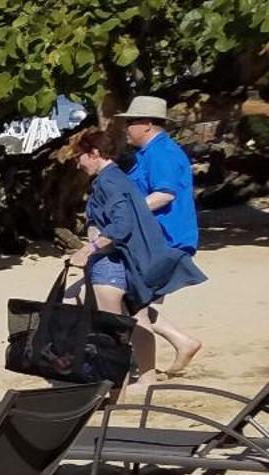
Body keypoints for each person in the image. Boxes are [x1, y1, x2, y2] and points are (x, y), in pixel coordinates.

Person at [68, 128, 205, 380]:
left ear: (94, 153)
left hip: (113, 259)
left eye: (79, 156)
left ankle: (118, 384)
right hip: (120, 257)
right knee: (135, 313)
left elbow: (123, 224)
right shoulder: (115, 177)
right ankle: (149, 374)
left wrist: (89, 249)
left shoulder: (110, 181)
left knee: (115, 325)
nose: (77, 163)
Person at [119, 96, 202, 375]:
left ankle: (147, 371)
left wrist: (127, 215)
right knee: (132, 299)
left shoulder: (161, 153)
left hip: (165, 239)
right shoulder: (149, 153)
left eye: (131, 122)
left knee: (131, 299)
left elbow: (164, 194)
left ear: (148, 124)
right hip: (156, 238)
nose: (126, 127)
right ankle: (181, 342)